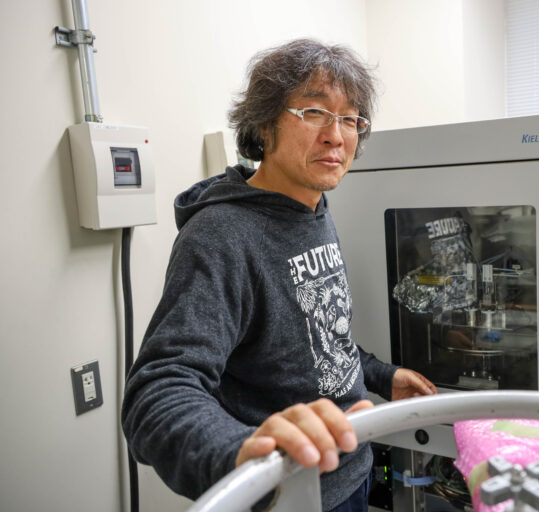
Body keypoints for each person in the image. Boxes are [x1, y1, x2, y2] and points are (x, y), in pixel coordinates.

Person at [121, 38, 437, 512]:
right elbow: (157, 391)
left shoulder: (312, 209)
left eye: (350, 118)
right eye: (314, 112)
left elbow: (318, 337)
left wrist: (381, 375)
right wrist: (243, 453)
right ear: (264, 125)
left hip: (352, 470)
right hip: (288, 494)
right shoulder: (220, 235)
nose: (337, 135)